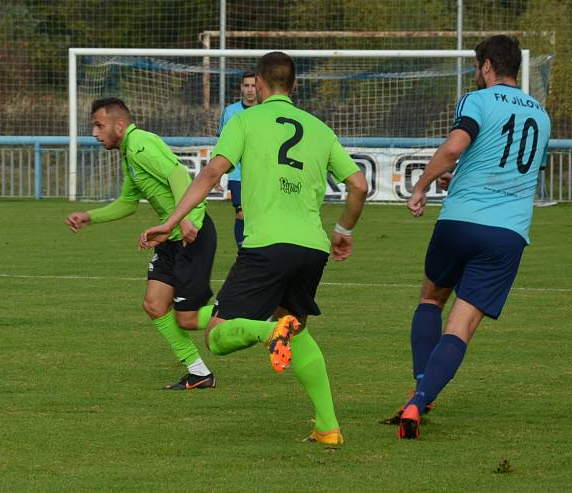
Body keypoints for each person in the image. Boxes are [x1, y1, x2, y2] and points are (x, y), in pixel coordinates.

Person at [140, 52, 368, 444]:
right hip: (313, 248)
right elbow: (359, 186)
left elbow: (212, 173)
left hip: (267, 245)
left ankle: (268, 331)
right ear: (294, 86)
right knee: (296, 332)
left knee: (215, 336)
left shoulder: (244, 120)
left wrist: (171, 221)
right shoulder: (320, 129)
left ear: (259, 85)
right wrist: (344, 229)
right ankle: (328, 428)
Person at [388, 35, 551, 440]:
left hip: (460, 221)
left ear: (487, 66)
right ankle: (420, 398)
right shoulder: (542, 115)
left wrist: (422, 184)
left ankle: (421, 385)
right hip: (508, 233)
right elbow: (515, 167)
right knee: (461, 327)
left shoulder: (477, 101)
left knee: (430, 299)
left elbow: (454, 147)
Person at [65, 97, 218, 390]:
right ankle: (199, 373)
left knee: (186, 318)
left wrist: (185, 218)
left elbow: (177, 175)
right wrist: (90, 216)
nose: (95, 133)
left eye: (99, 125)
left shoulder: (140, 145)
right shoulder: (128, 152)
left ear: (119, 126)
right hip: (170, 236)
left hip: (191, 233)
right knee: (154, 304)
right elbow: (128, 203)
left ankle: (253, 311)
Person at [217, 71, 257, 247]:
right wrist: (217, 173)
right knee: (241, 213)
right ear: (241, 87)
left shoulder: (266, 111)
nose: (250, 90)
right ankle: (243, 251)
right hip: (237, 174)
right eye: (246, 85)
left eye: (253, 85)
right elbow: (222, 143)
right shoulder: (230, 112)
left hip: (262, 173)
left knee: (259, 214)